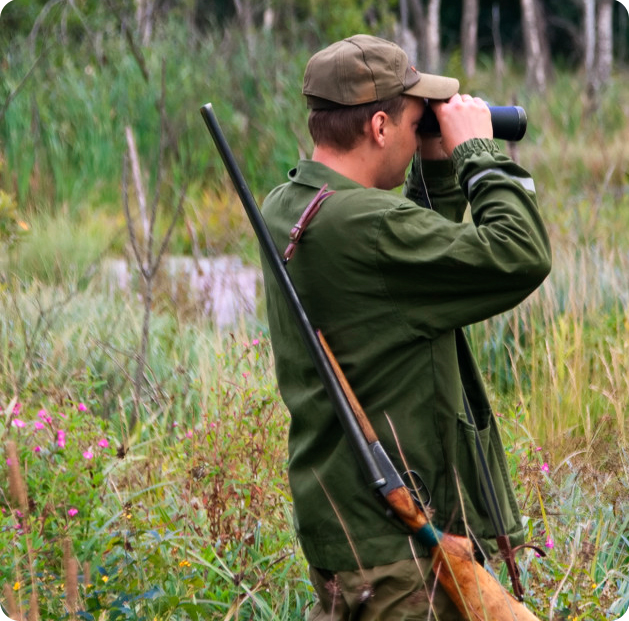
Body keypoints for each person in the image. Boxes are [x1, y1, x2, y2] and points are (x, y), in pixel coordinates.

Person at [260, 34, 551, 620]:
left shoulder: (288, 205)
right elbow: (521, 253)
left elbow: (402, 278)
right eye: (418, 118)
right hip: (403, 559)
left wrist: (436, 175)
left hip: (349, 532)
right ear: (379, 127)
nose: (428, 127)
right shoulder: (368, 225)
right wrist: (477, 154)